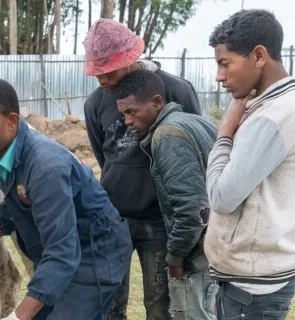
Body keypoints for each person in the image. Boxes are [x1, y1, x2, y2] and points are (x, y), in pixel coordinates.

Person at [0, 78, 133, 320]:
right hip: (62, 252)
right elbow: (14, 204)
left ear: (11, 122)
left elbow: (62, 252)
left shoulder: (45, 168)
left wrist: (18, 316)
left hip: (93, 252)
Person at [81, 18, 203, 320]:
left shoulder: (176, 90)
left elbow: (194, 150)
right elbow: (104, 157)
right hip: (113, 219)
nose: (102, 80)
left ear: (129, 59)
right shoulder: (95, 102)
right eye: (97, 74)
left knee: (160, 306)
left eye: (108, 71)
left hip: (159, 221)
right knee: (109, 303)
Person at [205, 9, 295, 320]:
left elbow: (221, 197)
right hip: (257, 279)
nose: (219, 76)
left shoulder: (273, 117)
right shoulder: (284, 107)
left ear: (259, 56)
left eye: (224, 63)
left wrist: (224, 134)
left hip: (251, 291)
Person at [111, 69, 219, 320]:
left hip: (198, 255)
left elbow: (191, 209)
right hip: (216, 244)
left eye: (130, 112)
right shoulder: (198, 122)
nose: (127, 121)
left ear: (157, 102)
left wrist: (176, 258)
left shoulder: (167, 136)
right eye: (123, 114)